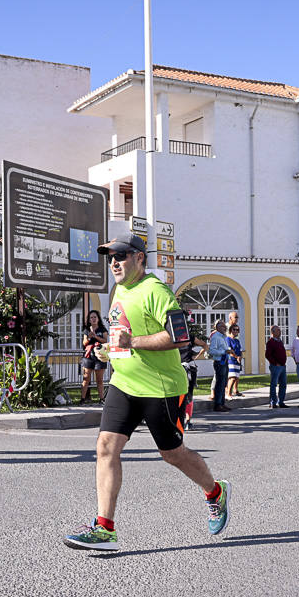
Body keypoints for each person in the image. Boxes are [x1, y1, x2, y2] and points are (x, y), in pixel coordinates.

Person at [62, 232, 231, 551]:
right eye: (109, 257)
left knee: (173, 454)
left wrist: (132, 343)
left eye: (120, 255)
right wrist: (109, 351)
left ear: (140, 257)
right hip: (124, 385)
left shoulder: (156, 290)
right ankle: (104, 528)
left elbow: (180, 338)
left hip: (161, 388)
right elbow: (123, 336)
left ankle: (215, 493)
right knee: (105, 447)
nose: (113, 262)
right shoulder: (119, 290)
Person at [177, 310, 210, 429]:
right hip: (183, 367)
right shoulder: (189, 337)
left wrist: (195, 356)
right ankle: (186, 420)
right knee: (186, 394)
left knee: (187, 394)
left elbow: (205, 345)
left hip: (184, 367)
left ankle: (186, 420)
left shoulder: (186, 337)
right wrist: (195, 356)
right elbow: (205, 346)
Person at [80, 309, 109, 403]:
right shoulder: (87, 330)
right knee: (86, 378)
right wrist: (89, 337)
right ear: (89, 320)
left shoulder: (103, 329)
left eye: (95, 317)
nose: (93, 319)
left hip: (100, 356)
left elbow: (105, 341)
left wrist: (96, 336)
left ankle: (101, 399)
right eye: (91, 317)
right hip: (89, 356)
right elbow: (84, 342)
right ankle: (82, 399)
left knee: (99, 379)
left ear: (98, 319)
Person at [207, 320, 231, 412]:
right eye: (222, 326)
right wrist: (224, 352)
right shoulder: (215, 337)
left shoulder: (223, 337)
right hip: (219, 362)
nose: (224, 328)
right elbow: (212, 351)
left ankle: (222, 403)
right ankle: (217, 404)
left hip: (224, 361)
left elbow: (223, 349)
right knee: (220, 384)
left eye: (225, 326)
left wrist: (228, 350)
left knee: (224, 383)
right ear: (216, 327)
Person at [265, 325, 289, 409]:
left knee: (283, 384)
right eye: (278, 330)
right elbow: (268, 355)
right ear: (273, 332)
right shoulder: (270, 342)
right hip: (276, 366)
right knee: (274, 384)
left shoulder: (280, 341)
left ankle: (281, 402)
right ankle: (273, 402)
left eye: (280, 330)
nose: (280, 332)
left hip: (283, 366)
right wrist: (275, 363)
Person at [225, 324, 245, 398]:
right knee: (232, 377)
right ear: (230, 330)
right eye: (234, 329)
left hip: (237, 361)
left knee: (236, 377)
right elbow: (230, 351)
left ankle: (235, 391)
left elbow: (240, 350)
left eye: (237, 330)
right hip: (231, 361)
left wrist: (240, 357)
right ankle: (228, 393)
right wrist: (236, 357)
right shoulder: (228, 339)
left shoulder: (237, 340)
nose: (236, 331)